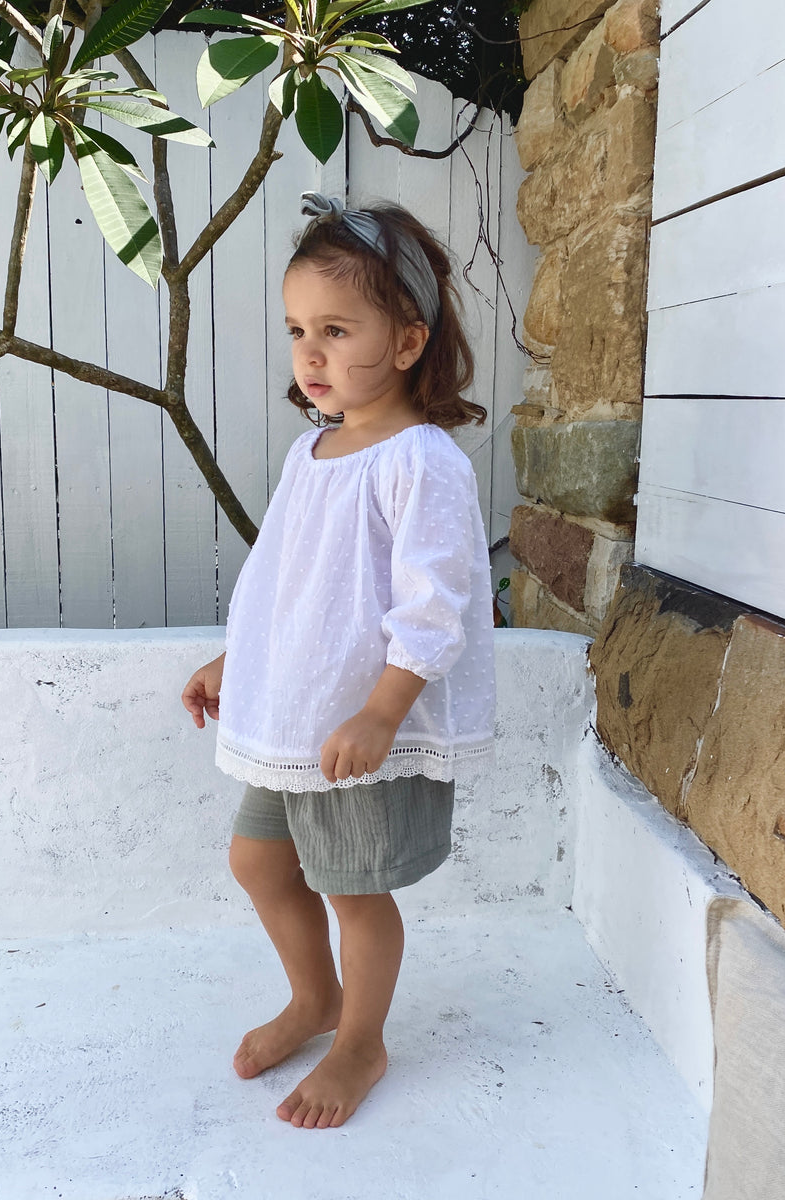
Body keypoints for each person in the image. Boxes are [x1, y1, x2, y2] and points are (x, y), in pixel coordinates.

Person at [181, 192, 496, 1130]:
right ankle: (314, 997)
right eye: (297, 331)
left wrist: (383, 712)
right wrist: (235, 660)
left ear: (407, 342)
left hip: (360, 729)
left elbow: (437, 605)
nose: (309, 354)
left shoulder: (423, 461)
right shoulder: (311, 453)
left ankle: (361, 1039)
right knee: (258, 862)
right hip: (294, 717)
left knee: (353, 890)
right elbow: (285, 581)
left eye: (335, 329)